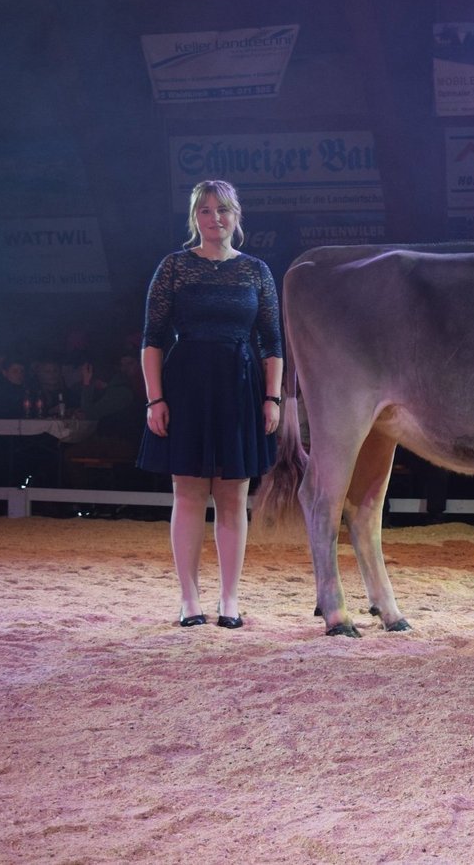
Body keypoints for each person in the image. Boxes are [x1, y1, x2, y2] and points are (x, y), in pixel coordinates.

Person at [136, 180, 283, 629]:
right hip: (187, 386)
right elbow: (152, 339)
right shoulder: (174, 267)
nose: (215, 218)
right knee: (188, 493)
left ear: (236, 215)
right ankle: (189, 600)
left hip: (240, 386)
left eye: (222, 209)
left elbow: (272, 342)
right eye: (205, 210)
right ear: (194, 217)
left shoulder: (256, 270)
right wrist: (155, 398)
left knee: (234, 495)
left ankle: (229, 600)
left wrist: (272, 397)